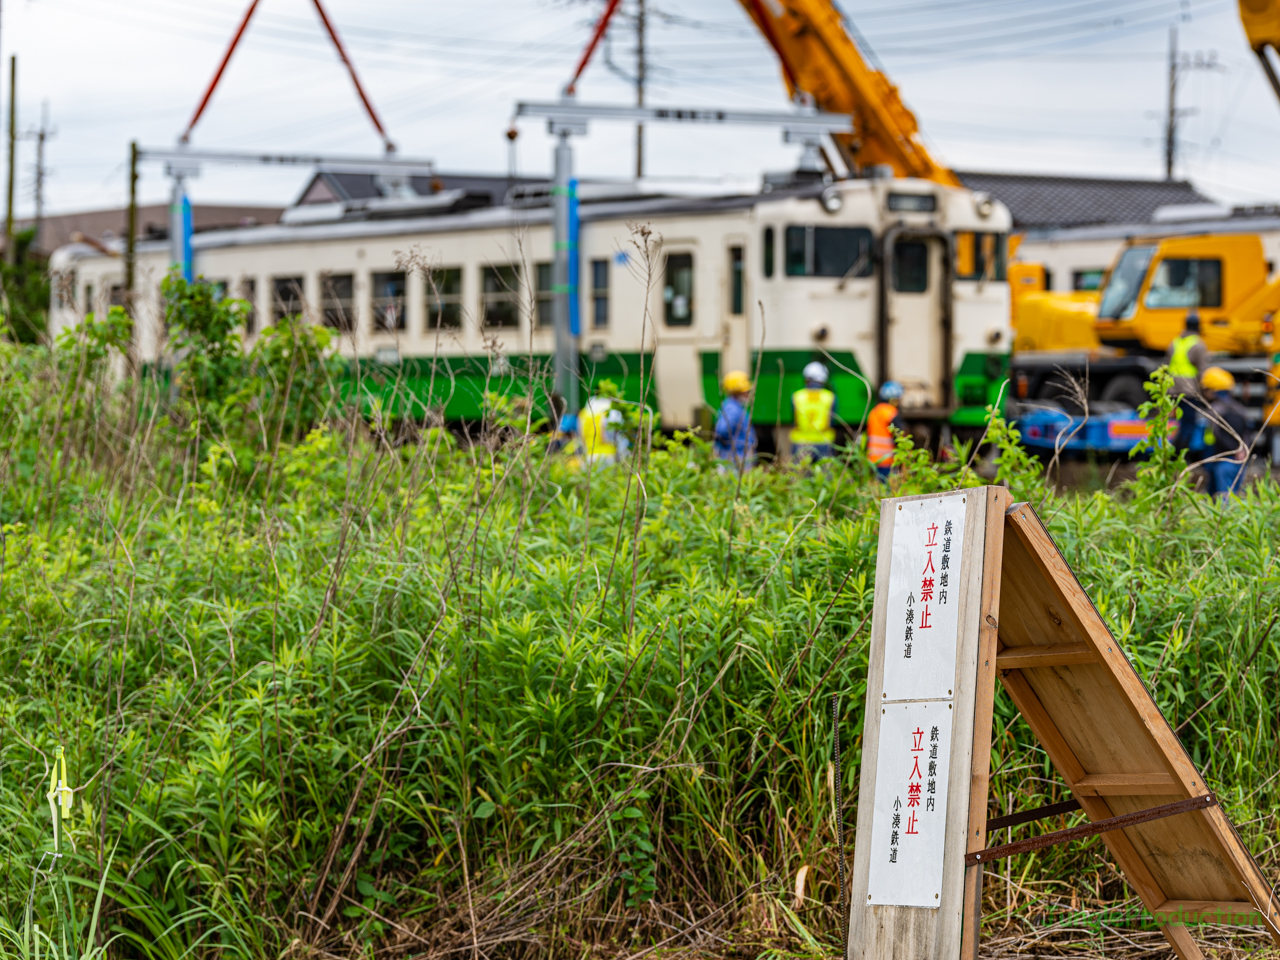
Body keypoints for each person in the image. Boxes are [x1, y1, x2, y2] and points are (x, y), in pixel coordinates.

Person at [1199, 366, 1250, 500]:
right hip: (1236, 459)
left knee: (1222, 498)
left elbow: (1218, 435)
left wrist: (1233, 450)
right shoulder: (1240, 409)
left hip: (1221, 459)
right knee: (1233, 495)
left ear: (1211, 390)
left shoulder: (1216, 411)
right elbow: (1247, 434)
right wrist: (1241, 451)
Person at [1166, 309, 1209, 452]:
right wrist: (1205, 392)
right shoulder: (1198, 344)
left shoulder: (1175, 342)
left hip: (1173, 390)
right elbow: (1202, 370)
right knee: (1189, 424)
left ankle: (1172, 452)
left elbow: (1167, 365)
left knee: (1177, 422)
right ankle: (1180, 453)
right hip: (1189, 391)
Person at [791, 361, 839, 462]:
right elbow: (833, 421)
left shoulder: (796, 397)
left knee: (801, 475)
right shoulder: (830, 397)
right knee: (825, 476)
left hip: (801, 442)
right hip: (824, 442)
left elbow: (793, 421)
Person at [714, 370, 757, 470]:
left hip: (737, 457)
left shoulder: (733, 406)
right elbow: (721, 431)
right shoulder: (733, 409)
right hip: (735, 458)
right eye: (746, 392)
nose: (748, 394)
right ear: (737, 392)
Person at [866, 381, 906, 481]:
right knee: (888, 490)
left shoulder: (874, 412)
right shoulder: (891, 413)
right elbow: (898, 437)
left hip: (873, 458)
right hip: (887, 460)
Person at [578, 394, 627, 466]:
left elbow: (581, 436)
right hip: (608, 456)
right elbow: (614, 437)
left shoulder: (584, 413)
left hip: (590, 456)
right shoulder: (610, 412)